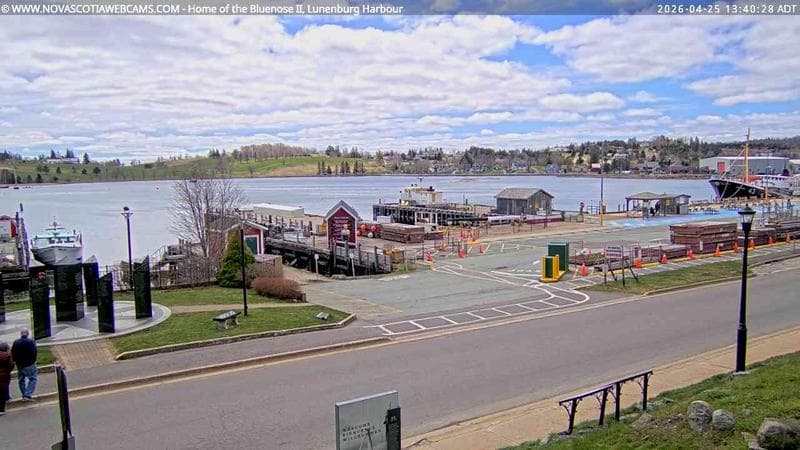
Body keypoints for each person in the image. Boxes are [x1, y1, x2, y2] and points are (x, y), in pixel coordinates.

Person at [11, 329, 37, 401]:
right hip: (29, 364)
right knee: (33, 379)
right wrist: (33, 361)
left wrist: (15, 361)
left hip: (19, 364)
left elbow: (13, 353)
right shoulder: (31, 342)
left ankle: (24, 394)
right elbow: (34, 352)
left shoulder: (16, 342)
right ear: (27, 334)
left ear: (21, 334)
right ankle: (27, 394)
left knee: (21, 380)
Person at [0, 342, 13, 415]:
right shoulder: (7, 356)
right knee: (2, 393)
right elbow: (11, 365)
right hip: (4, 377)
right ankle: (1, 410)